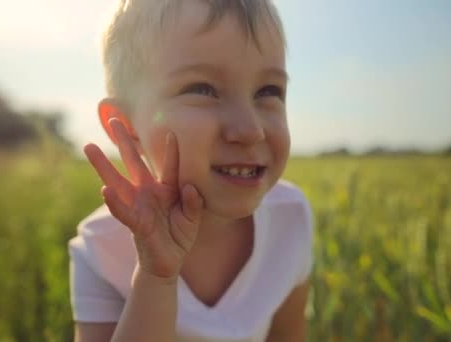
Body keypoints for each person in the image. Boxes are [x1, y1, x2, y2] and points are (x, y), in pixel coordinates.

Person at [69, 0, 314, 341]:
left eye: (268, 91)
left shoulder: (291, 218)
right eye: (202, 89)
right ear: (127, 126)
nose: (249, 129)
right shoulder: (102, 250)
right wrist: (155, 277)